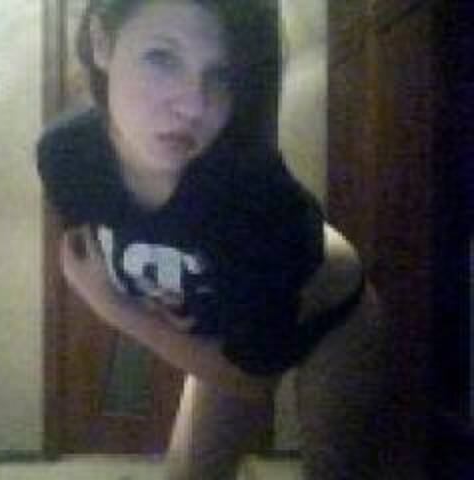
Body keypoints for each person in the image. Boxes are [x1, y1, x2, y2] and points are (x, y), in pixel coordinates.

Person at [37, 0, 426, 478]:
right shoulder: (66, 155)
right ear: (102, 41)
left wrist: (114, 308)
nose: (193, 106)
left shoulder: (254, 189)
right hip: (235, 327)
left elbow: (251, 381)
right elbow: (108, 247)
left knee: (336, 469)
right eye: (162, 57)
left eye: (219, 74)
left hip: (331, 317)